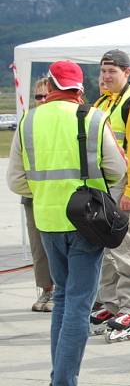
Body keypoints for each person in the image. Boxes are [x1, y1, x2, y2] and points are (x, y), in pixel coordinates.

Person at [6, 61, 127, 386]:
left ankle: (57, 378)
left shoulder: (28, 121)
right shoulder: (92, 118)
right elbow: (118, 170)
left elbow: (15, 180)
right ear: (78, 88)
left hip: (47, 221)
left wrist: (45, 193)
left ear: (51, 85)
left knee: (61, 297)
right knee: (79, 303)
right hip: (86, 222)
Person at [90, 49, 130, 341]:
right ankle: (113, 303)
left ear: (128, 73)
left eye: (112, 71)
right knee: (106, 250)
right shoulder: (102, 102)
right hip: (102, 186)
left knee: (127, 249)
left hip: (124, 186)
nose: (106, 77)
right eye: (103, 71)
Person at [23, 77, 55, 312]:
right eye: (38, 96)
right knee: (39, 246)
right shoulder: (28, 122)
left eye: (46, 95)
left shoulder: (63, 120)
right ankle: (46, 290)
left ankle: (63, 290)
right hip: (34, 194)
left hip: (61, 194)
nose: (42, 100)